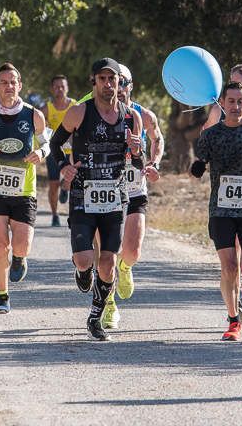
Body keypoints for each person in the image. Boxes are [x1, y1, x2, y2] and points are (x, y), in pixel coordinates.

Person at [50, 57, 143, 341]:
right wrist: (64, 166)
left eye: (112, 79)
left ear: (120, 83)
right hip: (82, 193)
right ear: (94, 82)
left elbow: (139, 164)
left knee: (108, 263)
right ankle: (82, 272)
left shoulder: (131, 117)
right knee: (83, 259)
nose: (107, 84)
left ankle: (96, 316)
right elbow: (55, 143)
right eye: (102, 79)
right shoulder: (79, 112)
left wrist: (138, 152)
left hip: (116, 197)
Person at [191, 81, 242, 341]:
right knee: (229, 266)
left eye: (241, 101)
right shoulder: (211, 135)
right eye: (231, 101)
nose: (236, 106)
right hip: (221, 210)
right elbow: (200, 161)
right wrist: (197, 168)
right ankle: (233, 319)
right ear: (223, 103)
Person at [0, 63, 48, 313]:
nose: (9, 86)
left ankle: (19, 258)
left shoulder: (33, 115)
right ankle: (2, 296)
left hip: (24, 191)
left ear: (20, 85)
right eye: (4, 82)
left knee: (20, 246)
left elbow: (46, 143)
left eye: (13, 82)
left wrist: (40, 152)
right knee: (0, 246)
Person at [101, 64, 164, 330]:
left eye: (124, 83)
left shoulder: (144, 115)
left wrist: (154, 163)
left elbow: (158, 139)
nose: (120, 88)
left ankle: (126, 267)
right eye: (116, 82)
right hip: (106, 192)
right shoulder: (99, 114)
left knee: (133, 250)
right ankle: (109, 305)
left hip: (135, 188)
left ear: (130, 86)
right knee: (107, 253)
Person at [41, 75, 76, 227]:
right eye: (56, 87)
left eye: (63, 86)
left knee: (71, 180)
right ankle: (55, 215)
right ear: (52, 89)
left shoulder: (75, 107)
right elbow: (37, 125)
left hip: (73, 152)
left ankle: (66, 187)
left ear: (67, 88)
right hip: (54, 152)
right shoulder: (46, 109)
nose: (60, 89)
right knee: (53, 184)